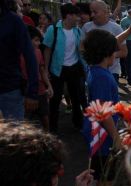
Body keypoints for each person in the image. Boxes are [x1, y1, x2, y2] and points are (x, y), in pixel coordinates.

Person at [82, 29, 129, 186]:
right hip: (102, 136)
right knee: (105, 179)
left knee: (106, 177)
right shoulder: (101, 76)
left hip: (101, 134)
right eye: (113, 52)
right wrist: (117, 137)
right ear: (105, 53)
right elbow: (102, 111)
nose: (116, 55)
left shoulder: (97, 70)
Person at [43, 3, 86, 132]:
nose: (78, 18)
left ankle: (78, 124)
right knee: (55, 99)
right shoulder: (53, 29)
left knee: (76, 97)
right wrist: (46, 69)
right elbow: (47, 50)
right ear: (68, 16)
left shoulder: (77, 30)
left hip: (74, 68)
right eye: (76, 16)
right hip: (57, 69)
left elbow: (81, 50)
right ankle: (53, 128)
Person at [0, 0, 38, 120]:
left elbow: (30, 57)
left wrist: (32, 92)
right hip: (10, 90)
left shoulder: (14, 21)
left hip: (10, 91)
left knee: (14, 136)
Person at [82, 0, 129, 82]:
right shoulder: (86, 27)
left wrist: (104, 56)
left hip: (111, 72)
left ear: (105, 12)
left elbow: (124, 52)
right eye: (91, 12)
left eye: (95, 12)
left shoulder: (116, 28)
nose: (92, 15)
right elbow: (82, 48)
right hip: (91, 71)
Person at [26, 25, 53, 130]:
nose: (39, 43)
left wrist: (49, 86)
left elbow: (42, 70)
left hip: (40, 90)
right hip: (26, 92)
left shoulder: (38, 52)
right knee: (26, 120)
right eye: (36, 40)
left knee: (45, 116)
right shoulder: (18, 55)